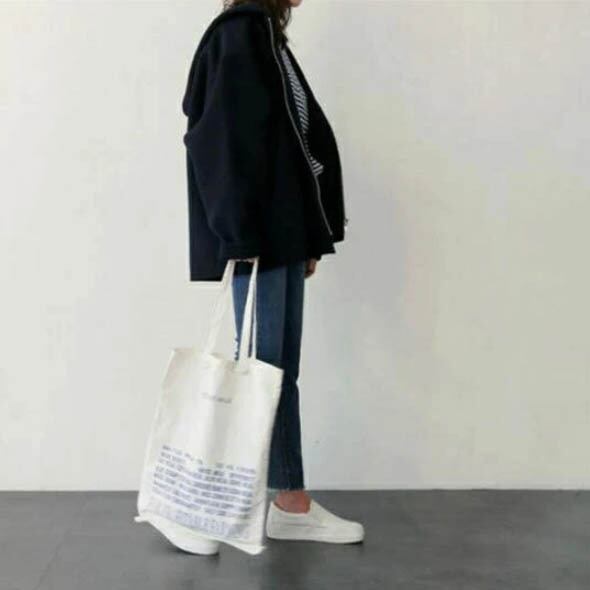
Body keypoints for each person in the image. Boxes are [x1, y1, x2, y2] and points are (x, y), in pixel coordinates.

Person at [182, 0, 362, 551]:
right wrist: (240, 238)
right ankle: (197, 511)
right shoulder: (239, 35)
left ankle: (289, 502)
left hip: (280, 239)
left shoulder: (265, 38)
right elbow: (221, 143)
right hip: (257, 242)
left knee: (275, 374)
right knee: (254, 375)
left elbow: (291, 149)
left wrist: (306, 236)